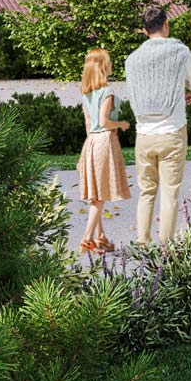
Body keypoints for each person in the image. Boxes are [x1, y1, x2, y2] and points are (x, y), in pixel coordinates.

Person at [122, 6, 191, 244]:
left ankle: (142, 242)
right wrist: (182, 92)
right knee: (169, 192)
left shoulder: (132, 59)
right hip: (172, 132)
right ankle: (166, 248)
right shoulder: (179, 51)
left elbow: (141, 92)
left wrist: (177, 93)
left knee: (146, 192)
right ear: (166, 24)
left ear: (144, 30)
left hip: (144, 134)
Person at [75, 48, 130, 254]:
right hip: (105, 143)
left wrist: (83, 155)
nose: (111, 64)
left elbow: (90, 126)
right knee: (100, 195)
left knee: (96, 193)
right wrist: (122, 123)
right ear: (102, 67)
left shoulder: (87, 95)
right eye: (109, 61)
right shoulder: (108, 92)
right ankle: (87, 239)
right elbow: (104, 122)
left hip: (92, 143)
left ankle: (100, 237)